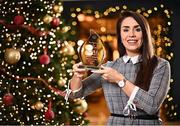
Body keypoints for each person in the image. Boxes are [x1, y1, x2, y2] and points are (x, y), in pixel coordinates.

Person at [69, 10, 171, 125]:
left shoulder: (161, 65)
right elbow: (75, 94)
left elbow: (152, 105)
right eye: (126, 29)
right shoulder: (109, 67)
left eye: (137, 29)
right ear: (120, 35)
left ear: (145, 33)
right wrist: (77, 76)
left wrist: (120, 80)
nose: (131, 34)